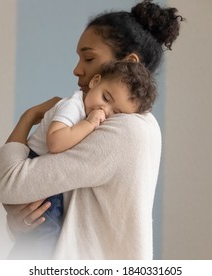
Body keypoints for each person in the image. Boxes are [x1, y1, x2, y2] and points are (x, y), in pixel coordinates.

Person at [0, 0, 184, 259]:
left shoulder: (125, 131)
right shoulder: (115, 122)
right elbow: (65, 212)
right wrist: (21, 223)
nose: (77, 69)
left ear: (130, 62)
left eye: (89, 57)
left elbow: (8, 183)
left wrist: (29, 117)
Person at [8, 60, 157, 259]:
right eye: (105, 98)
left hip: (45, 174)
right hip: (35, 161)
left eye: (117, 113)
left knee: (43, 235)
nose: (105, 110)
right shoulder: (72, 105)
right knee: (44, 239)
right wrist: (89, 123)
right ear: (95, 81)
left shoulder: (129, 128)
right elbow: (56, 142)